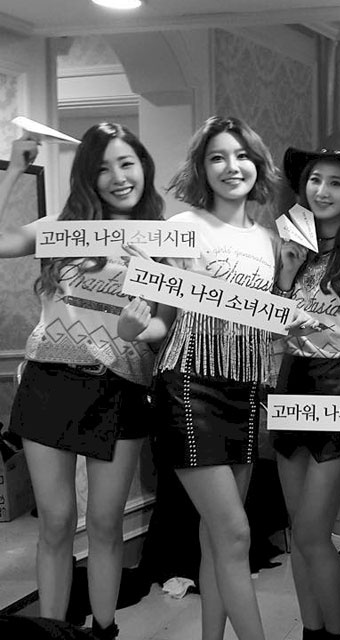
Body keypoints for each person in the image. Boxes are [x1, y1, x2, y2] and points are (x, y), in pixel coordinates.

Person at [117, 115, 315, 640]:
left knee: (215, 538)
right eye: (217, 157)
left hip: (245, 390)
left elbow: (266, 324)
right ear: (202, 168)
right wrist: (132, 326)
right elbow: (161, 322)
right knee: (235, 535)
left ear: (258, 165)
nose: (232, 166)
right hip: (189, 387)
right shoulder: (182, 228)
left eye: (242, 155)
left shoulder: (269, 241)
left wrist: (288, 316)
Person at [0, 124, 164, 640]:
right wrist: (15, 169)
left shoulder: (161, 237)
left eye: (126, 163)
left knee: (106, 524)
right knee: (54, 521)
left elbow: (166, 323)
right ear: (87, 176)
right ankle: (53, 634)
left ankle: (102, 633)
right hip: (49, 383)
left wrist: (140, 330)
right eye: (102, 167)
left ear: (143, 167)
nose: (118, 177)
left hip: (120, 388)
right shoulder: (61, 229)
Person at [270, 131, 340, 640]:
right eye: (315, 179)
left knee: (315, 531)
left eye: (336, 182)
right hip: (291, 382)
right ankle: (312, 631)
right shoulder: (289, 252)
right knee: (299, 533)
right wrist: (285, 275)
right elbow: (273, 329)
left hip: (338, 386)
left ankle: (338, 634)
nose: (322, 190)